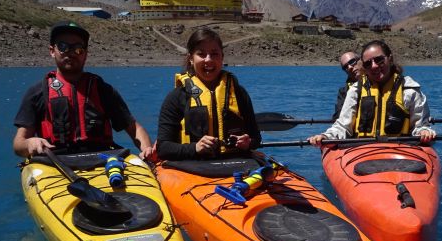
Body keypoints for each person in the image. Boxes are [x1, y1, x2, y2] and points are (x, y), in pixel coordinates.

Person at [13, 21, 154, 159]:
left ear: (85, 54)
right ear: (52, 51)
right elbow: (18, 144)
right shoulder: (37, 92)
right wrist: (29, 143)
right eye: (63, 46)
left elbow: (135, 130)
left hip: (103, 159)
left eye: (78, 48)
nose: (70, 53)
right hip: (55, 162)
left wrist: (147, 150)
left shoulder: (103, 90)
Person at [156, 28, 261, 160]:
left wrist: (248, 143)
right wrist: (195, 148)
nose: (208, 60)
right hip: (193, 169)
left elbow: (256, 138)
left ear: (222, 57)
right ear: (191, 59)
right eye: (201, 54)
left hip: (235, 166)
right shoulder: (177, 97)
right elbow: (163, 148)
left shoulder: (239, 93)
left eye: (214, 54)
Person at [309, 40, 435, 146]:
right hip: (364, 150)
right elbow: (343, 126)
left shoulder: (409, 90)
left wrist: (424, 131)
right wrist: (326, 136)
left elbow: (420, 126)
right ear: (364, 66)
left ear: (390, 59)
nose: (374, 66)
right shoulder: (355, 90)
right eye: (368, 63)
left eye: (379, 60)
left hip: (400, 151)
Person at [332, 50, 364, 121]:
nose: (349, 67)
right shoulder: (343, 92)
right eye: (345, 67)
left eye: (352, 62)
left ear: (361, 60)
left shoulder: (377, 82)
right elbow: (338, 117)